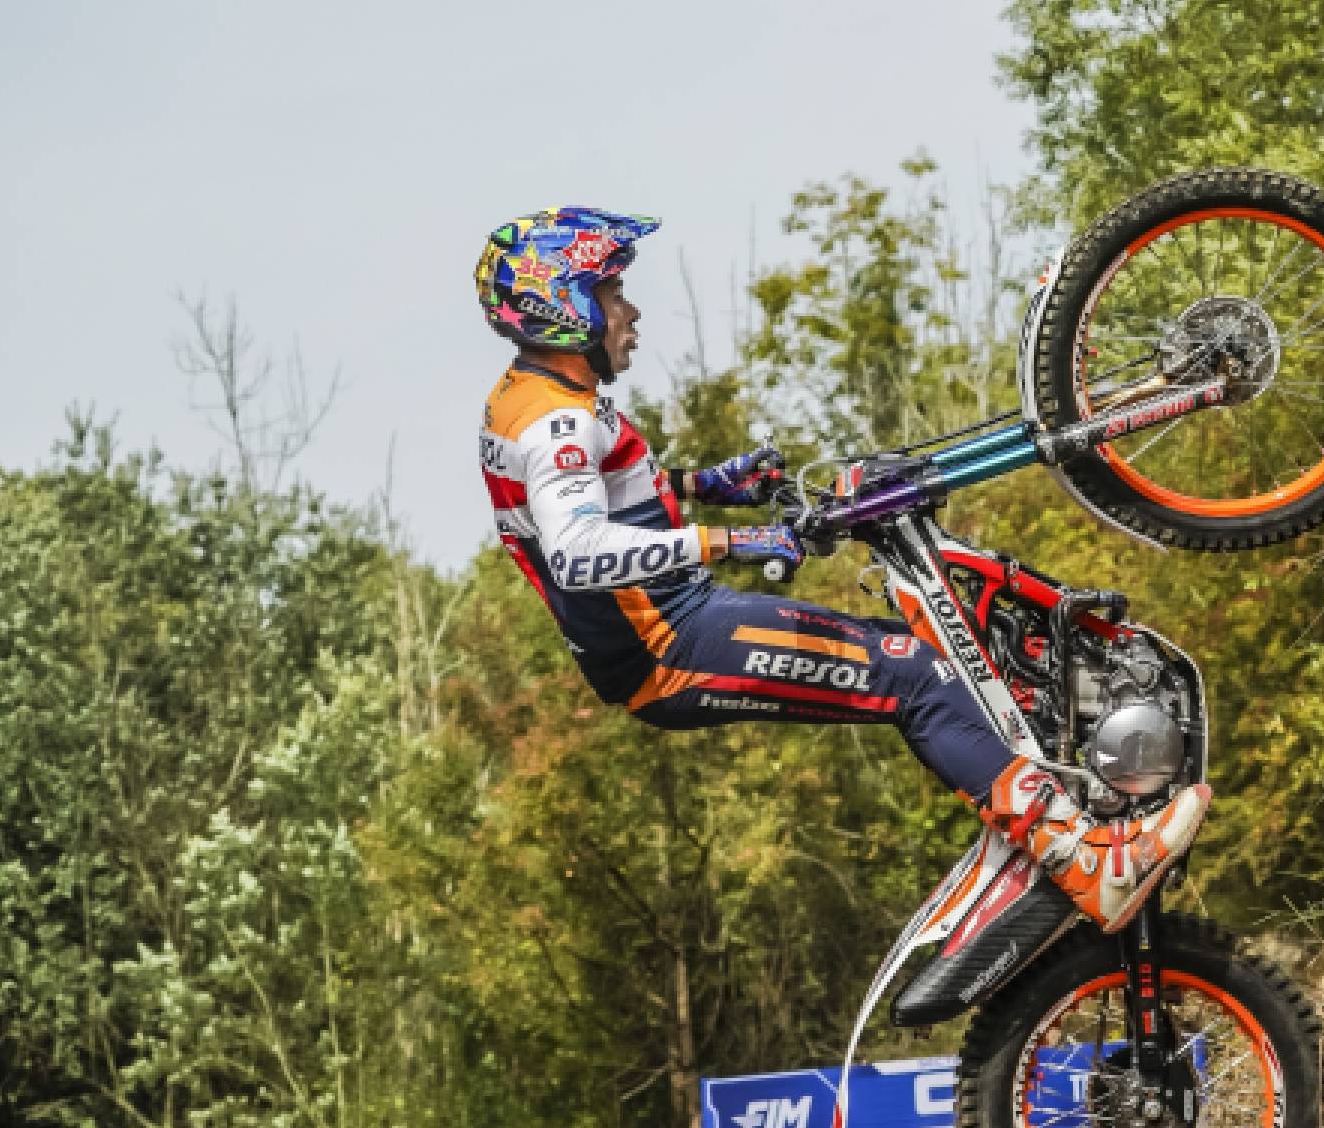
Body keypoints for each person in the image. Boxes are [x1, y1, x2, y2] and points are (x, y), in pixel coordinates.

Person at [472, 209, 1209, 933]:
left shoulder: (529, 398)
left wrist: (708, 485)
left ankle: (1052, 815)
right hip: (669, 645)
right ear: (562, 308)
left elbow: (609, 493)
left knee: (922, 658)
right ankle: (1085, 862)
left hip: (672, 626)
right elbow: (577, 550)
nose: (630, 312)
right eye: (610, 295)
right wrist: (732, 540)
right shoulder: (556, 423)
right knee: (918, 676)